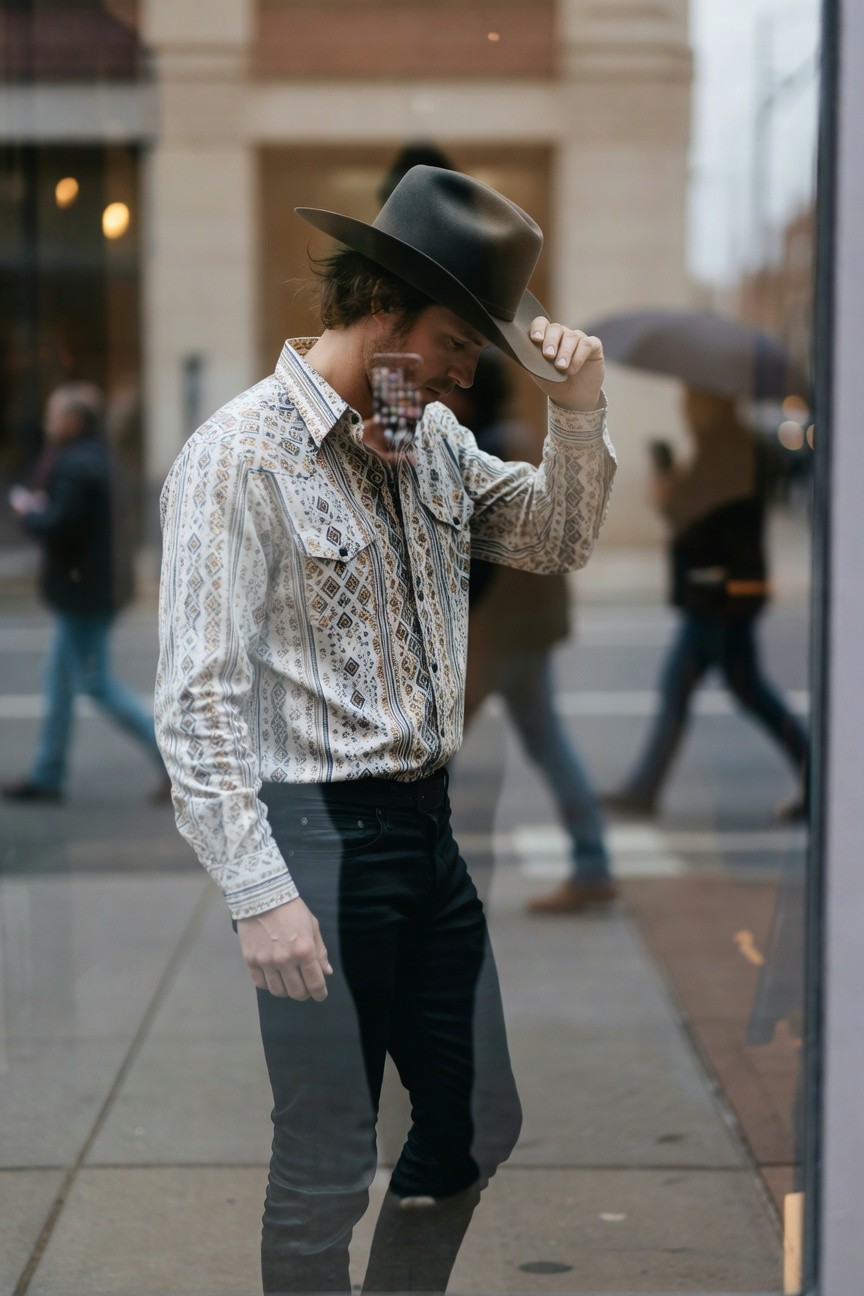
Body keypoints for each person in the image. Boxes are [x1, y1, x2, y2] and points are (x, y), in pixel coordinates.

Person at [155, 164, 616, 1294]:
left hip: (428, 837)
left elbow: (555, 540)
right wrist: (259, 895)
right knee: (324, 1163)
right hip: (317, 844)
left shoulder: (431, 439)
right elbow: (196, 701)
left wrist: (579, 411)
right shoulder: (239, 456)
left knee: (473, 1123)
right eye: (457, 340)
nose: (467, 372)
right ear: (378, 303)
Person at [446, 351, 616, 915]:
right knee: (546, 742)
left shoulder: (485, 446)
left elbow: (476, 561)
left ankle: (409, 875)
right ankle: (592, 863)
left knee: (428, 759)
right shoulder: (512, 433)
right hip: (524, 631)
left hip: (492, 635)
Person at [604, 387, 808, 820]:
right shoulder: (730, 447)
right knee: (727, 689)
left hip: (722, 595)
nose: (686, 409)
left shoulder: (726, 450)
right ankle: (645, 788)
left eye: (693, 402)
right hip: (726, 592)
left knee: (702, 689)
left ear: (713, 404)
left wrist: (669, 496)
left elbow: (702, 525)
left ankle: (645, 789)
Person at [3, 382, 168, 805]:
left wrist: (30, 513)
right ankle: (47, 774)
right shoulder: (99, 456)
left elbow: (59, 524)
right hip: (95, 589)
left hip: (84, 594)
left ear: (74, 420)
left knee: (95, 684)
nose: (47, 422)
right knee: (59, 680)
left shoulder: (77, 465)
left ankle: (176, 762)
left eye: (53, 415)